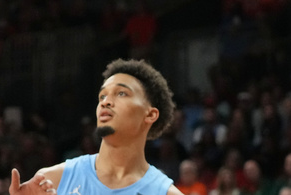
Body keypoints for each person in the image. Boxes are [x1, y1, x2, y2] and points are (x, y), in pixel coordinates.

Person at [17, 59, 184, 195]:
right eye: (102, 96)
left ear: (150, 115)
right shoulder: (51, 180)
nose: (106, 101)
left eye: (121, 93)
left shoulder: (165, 193)